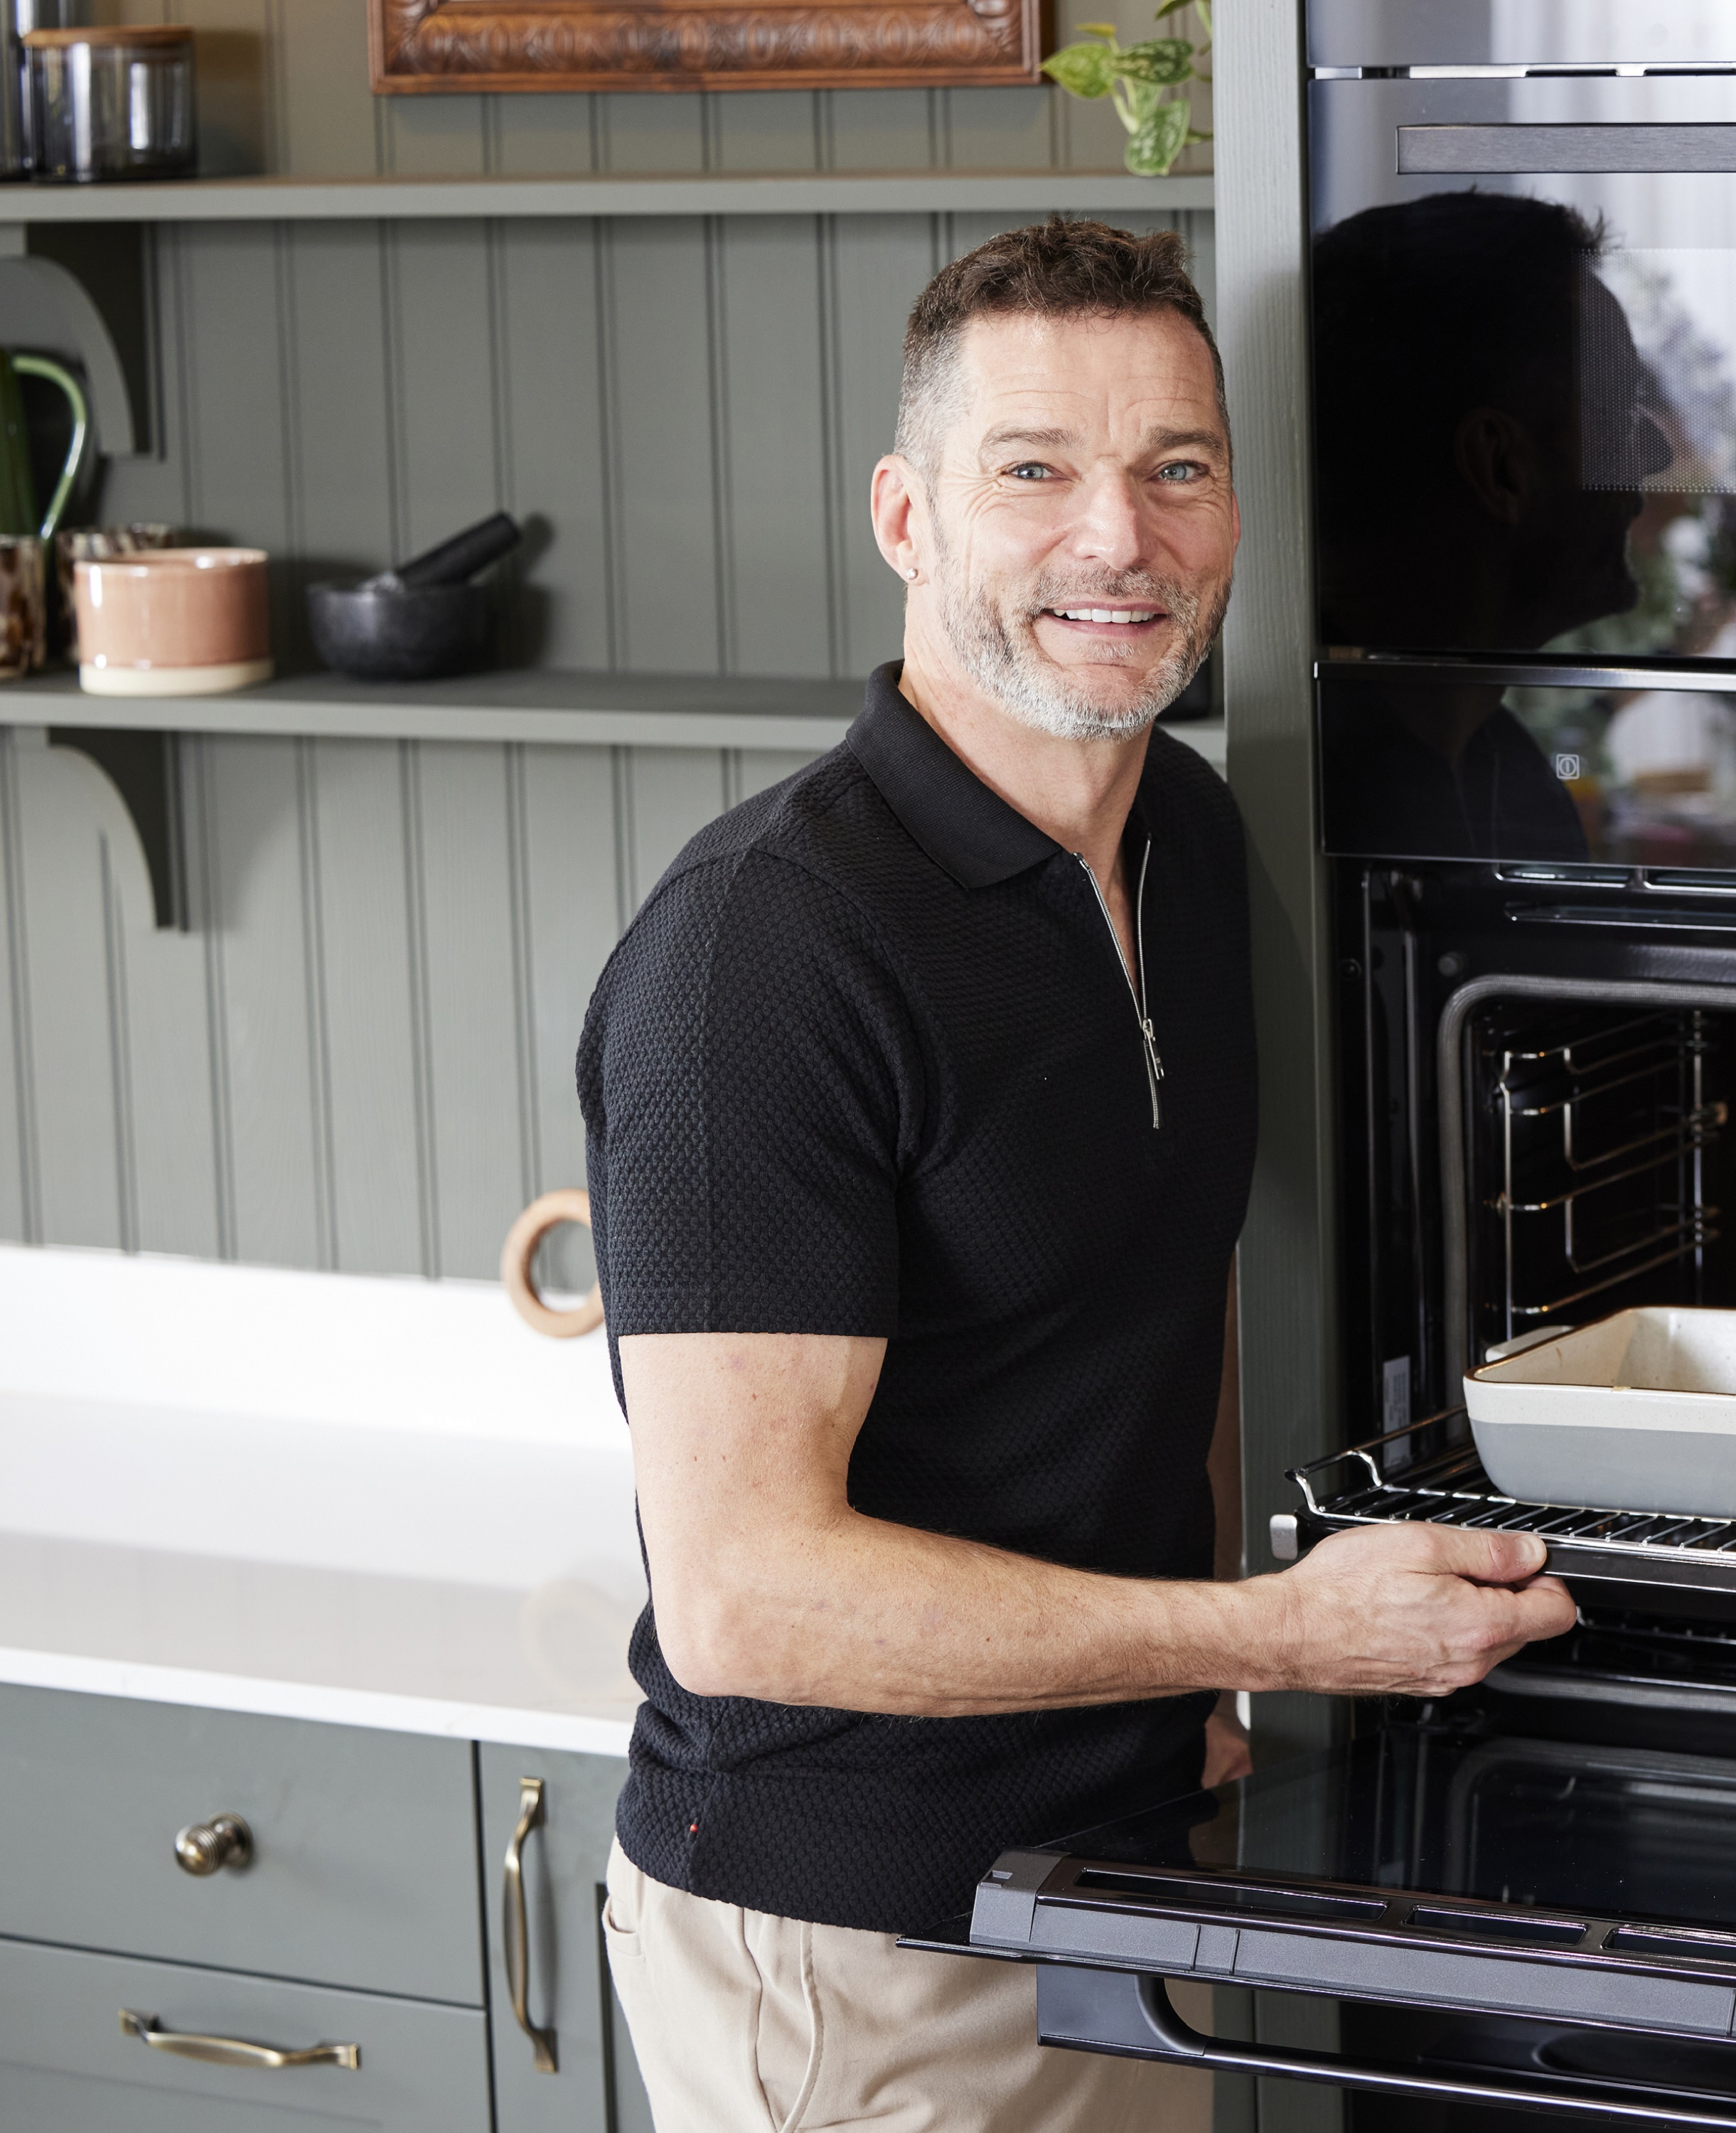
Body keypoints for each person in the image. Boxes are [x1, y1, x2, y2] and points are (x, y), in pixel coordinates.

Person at [577, 218, 1576, 2133]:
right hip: (862, 1947)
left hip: (1119, 1879)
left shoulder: (1185, 842)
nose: (1118, 538)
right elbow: (748, 1598)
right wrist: (1271, 1636)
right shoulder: (767, 949)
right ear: (907, 517)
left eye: (1175, 470)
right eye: (1033, 471)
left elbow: (1161, 1296)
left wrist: (1196, 1696)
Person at [1312, 193, 1673, 860]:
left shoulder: (1503, 769)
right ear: (1503, 467)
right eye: (1617, 410)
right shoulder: (1324, 810)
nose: (1656, 454)